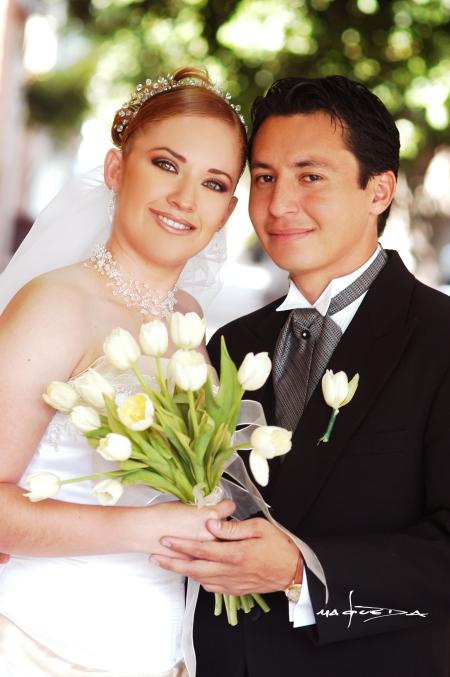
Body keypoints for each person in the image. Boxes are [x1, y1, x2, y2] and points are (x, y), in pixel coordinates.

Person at [152, 76, 450, 676]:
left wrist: (300, 572)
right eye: (264, 177)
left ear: (379, 190)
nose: (279, 203)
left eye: (310, 176)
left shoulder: (441, 339)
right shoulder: (228, 345)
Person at [0, 67, 245, 676]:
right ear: (115, 169)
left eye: (213, 183)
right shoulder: (55, 304)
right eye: (166, 164)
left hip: (162, 649)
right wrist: (147, 529)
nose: (186, 199)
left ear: (229, 209)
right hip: (43, 644)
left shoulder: (188, 317)